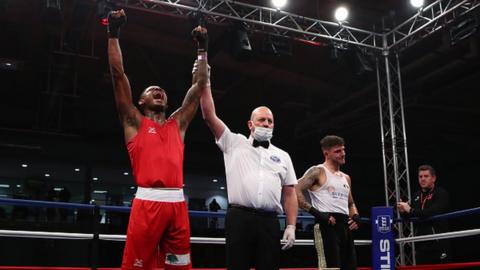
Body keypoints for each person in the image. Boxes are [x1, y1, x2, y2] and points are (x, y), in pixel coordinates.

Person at [107, 9, 209, 270]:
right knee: (137, 267)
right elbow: (118, 75)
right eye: (152, 90)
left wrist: (202, 48)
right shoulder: (134, 121)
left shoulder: (178, 124)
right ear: (141, 101)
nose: (159, 91)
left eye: (161, 90)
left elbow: (198, 88)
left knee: (179, 266)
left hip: (177, 204)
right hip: (147, 205)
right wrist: (113, 33)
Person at [200, 79, 298, 269]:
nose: (266, 124)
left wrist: (291, 225)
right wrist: (206, 82)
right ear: (250, 124)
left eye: (270, 121)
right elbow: (209, 116)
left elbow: (289, 193)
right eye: (262, 120)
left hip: (269, 222)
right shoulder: (234, 142)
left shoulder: (283, 156)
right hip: (239, 218)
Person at [295, 135, 360, 270]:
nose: (343, 154)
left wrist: (355, 217)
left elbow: (351, 203)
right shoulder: (318, 171)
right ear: (326, 153)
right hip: (326, 226)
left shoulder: (346, 178)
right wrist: (317, 213)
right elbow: (295, 190)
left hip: (345, 228)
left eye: (343, 150)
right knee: (330, 268)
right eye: (338, 151)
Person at [397, 165, 450, 265]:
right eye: (420, 176)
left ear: (433, 178)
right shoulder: (417, 195)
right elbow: (410, 216)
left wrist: (410, 210)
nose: (422, 179)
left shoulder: (441, 193)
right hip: (420, 243)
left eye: (426, 176)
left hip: (438, 243)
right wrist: (403, 211)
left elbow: (430, 212)